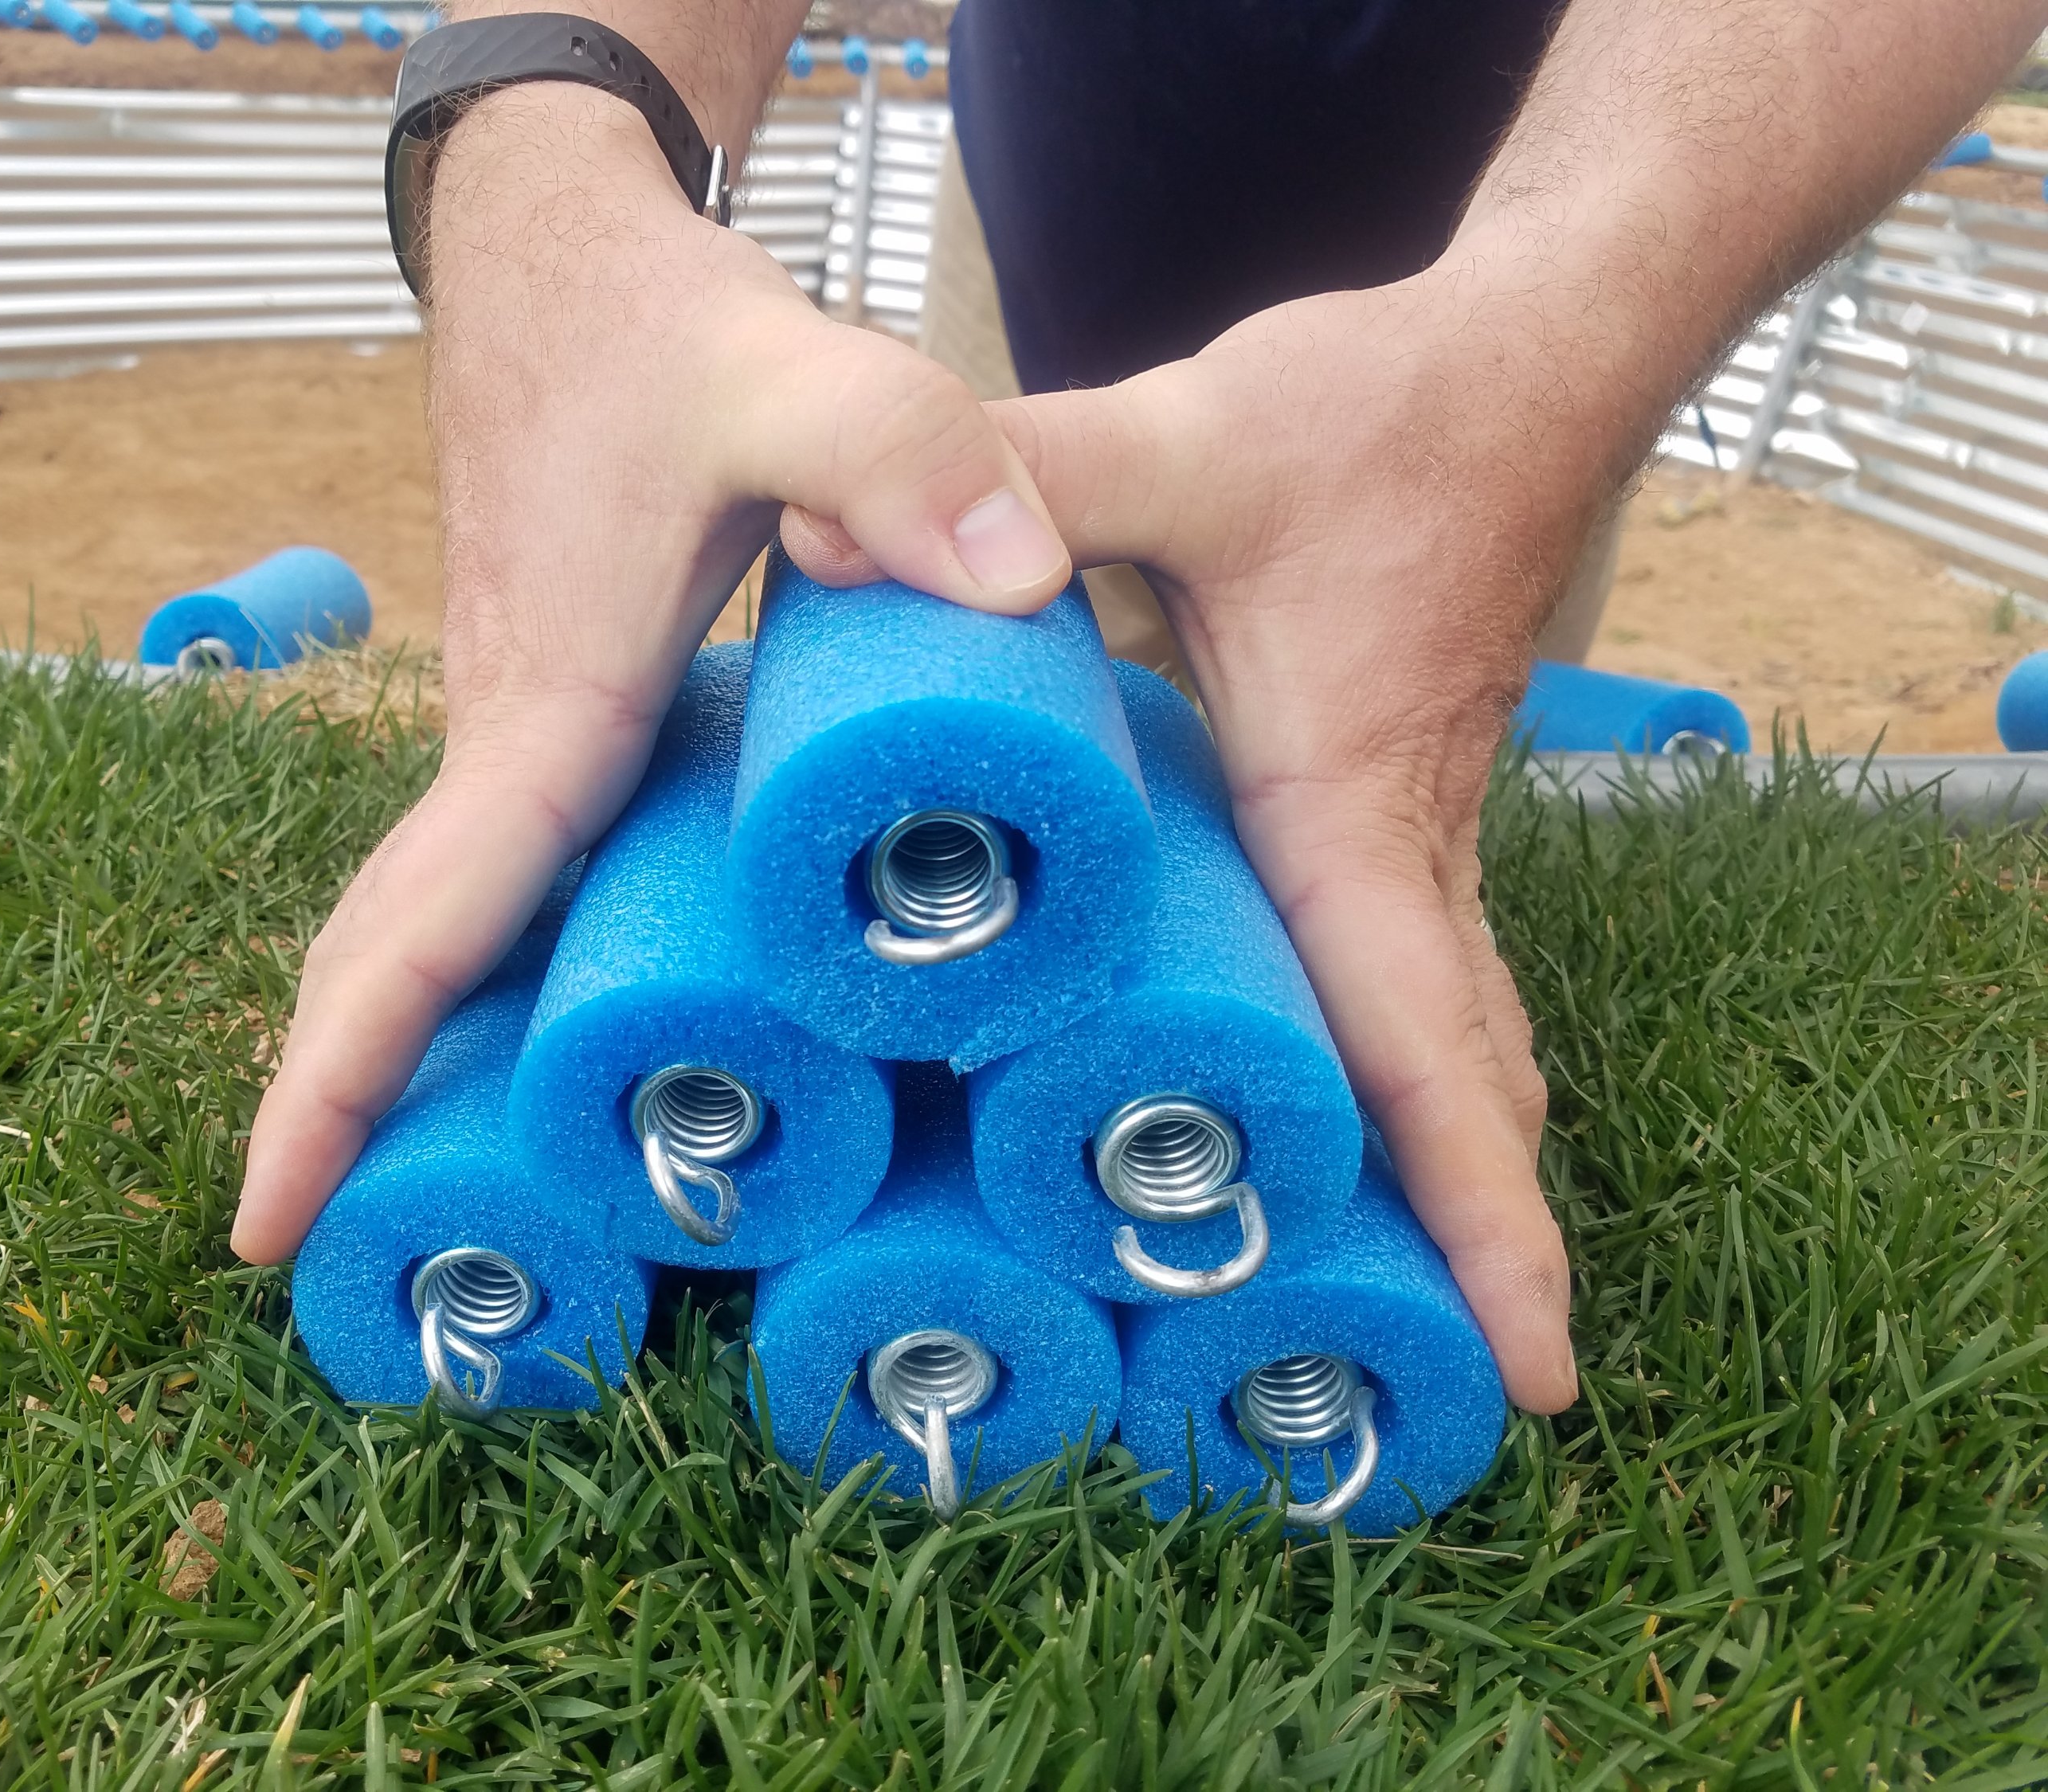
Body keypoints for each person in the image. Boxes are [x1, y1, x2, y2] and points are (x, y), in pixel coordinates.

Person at [230, 0, 2045, 1418]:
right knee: (940, 567)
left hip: (1537, 267)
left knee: (1323, 795)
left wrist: (1552, 340)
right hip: (1054, 171)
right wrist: (552, 150)